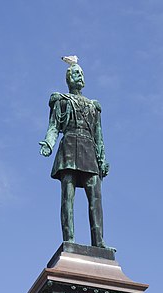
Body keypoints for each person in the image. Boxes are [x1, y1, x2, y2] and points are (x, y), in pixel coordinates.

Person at [40, 61, 110, 248]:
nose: (80, 76)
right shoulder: (61, 101)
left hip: (89, 149)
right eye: (76, 73)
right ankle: (69, 239)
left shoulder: (94, 106)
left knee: (95, 198)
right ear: (69, 78)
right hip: (69, 146)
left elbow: (99, 135)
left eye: (81, 73)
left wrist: (102, 158)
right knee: (67, 197)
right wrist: (48, 143)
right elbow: (54, 126)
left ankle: (99, 242)